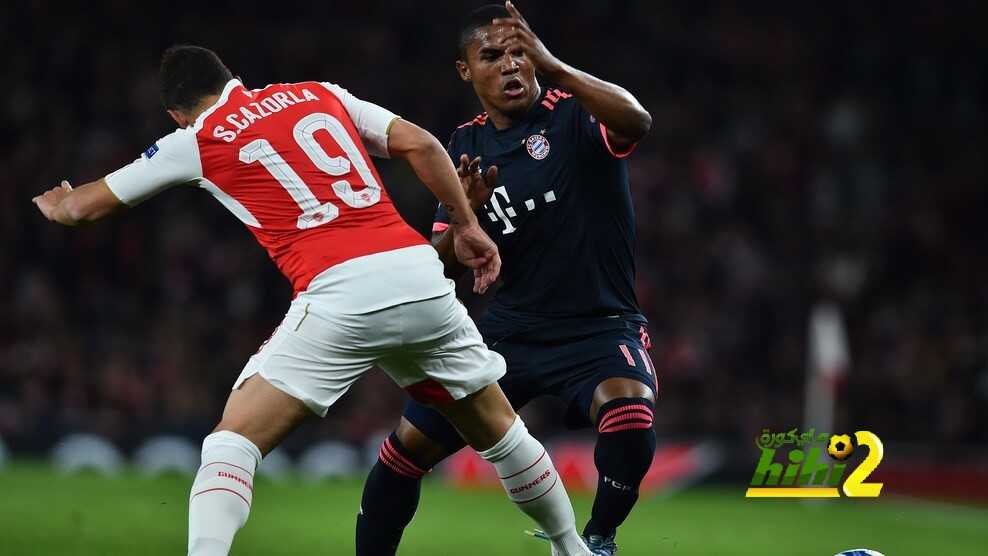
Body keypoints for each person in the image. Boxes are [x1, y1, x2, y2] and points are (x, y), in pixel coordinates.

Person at [31, 44, 592, 556]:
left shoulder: (197, 138)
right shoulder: (318, 94)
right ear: (233, 79)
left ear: (177, 114)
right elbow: (421, 143)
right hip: (418, 275)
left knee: (232, 443)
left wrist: (56, 203)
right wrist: (465, 223)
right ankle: (573, 549)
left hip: (338, 290)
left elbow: (82, 209)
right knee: (502, 433)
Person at [355, 3, 655, 555]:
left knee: (630, 415)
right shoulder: (463, 147)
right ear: (466, 70)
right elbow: (439, 264)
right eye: (492, 55)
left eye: (519, 53)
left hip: (599, 325)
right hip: (510, 332)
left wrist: (557, 67)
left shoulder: (575, 112)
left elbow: (637, 122)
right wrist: (465, 216)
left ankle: (596, 540)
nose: (510, 66)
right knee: (403, 451)